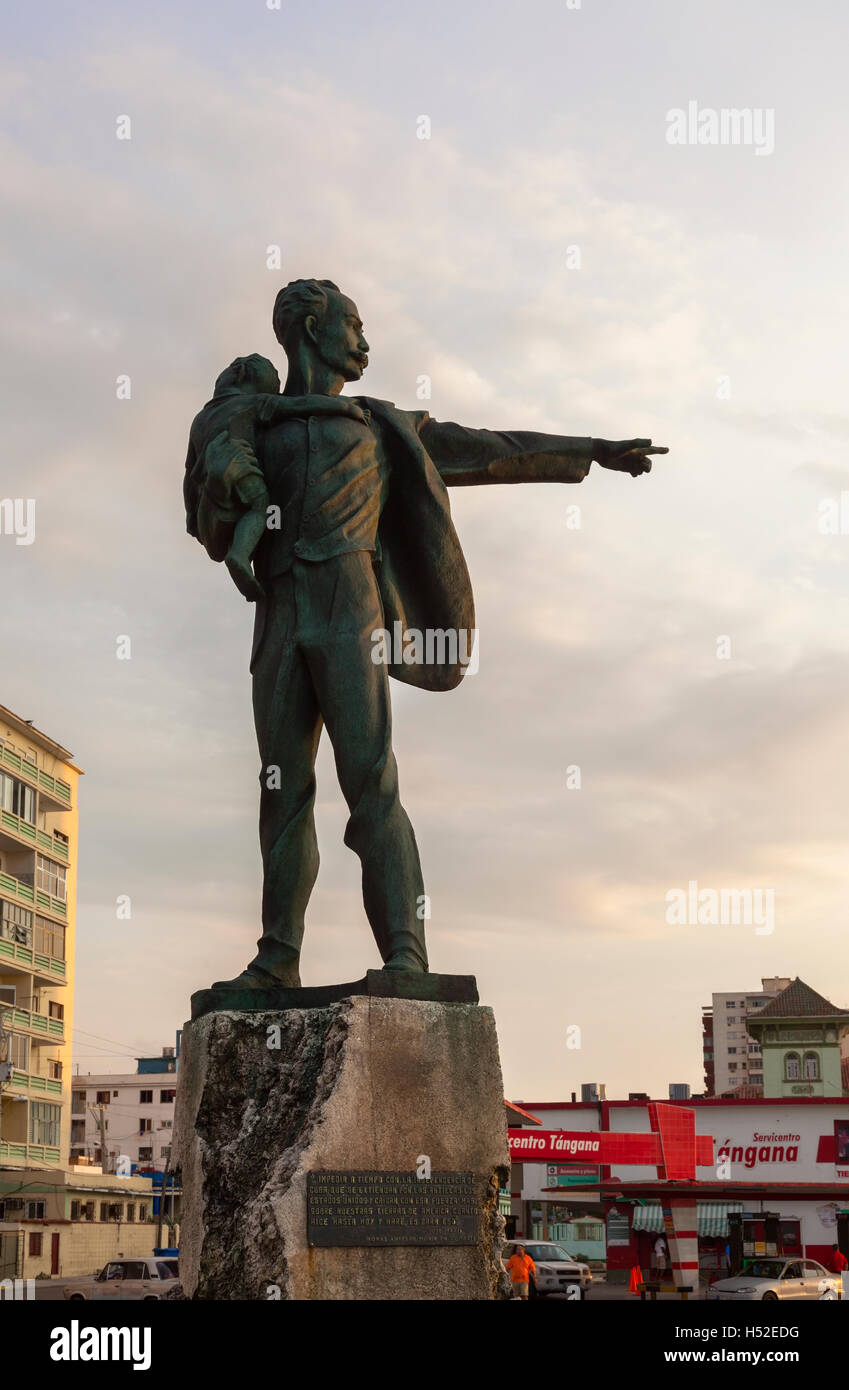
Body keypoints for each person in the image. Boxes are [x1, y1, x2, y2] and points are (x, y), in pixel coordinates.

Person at [187, 279, 667, 989]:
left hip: (352, 607)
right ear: (310, 329)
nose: (364, 340)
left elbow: (490, 449)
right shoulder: (257, 421)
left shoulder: (384, 426)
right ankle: (276, 959)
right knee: (281, 791)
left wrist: (589, 450)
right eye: (352, 325)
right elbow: (215, 491)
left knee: (372, 781)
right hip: (280, 613)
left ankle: (405, 955)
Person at [184, 353, 366, 600]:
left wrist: (191, 516)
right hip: (242, 467)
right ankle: (240, 552)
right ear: (243, 376)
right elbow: (300, 405)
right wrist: (344, 407)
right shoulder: (254, 403)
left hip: (210, 481)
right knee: (260, 507)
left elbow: (189, 472)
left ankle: (239, 549)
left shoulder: (200, 419)